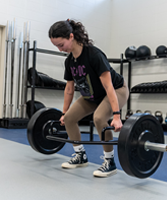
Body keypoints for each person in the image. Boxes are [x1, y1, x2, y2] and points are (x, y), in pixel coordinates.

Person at [49, 19, 128, 178]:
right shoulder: (70, 61)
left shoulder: (94, 55)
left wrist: (117, 116)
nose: (59, 49)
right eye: (56, 46)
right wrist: (64, 112)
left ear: (71, 36)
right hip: (92, 95)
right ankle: (80, 156)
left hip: (116, 90)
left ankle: (110, 162)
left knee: (99, 118)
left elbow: (108, 87)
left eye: (61, 45)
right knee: (70, 118)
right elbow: (69, 88)